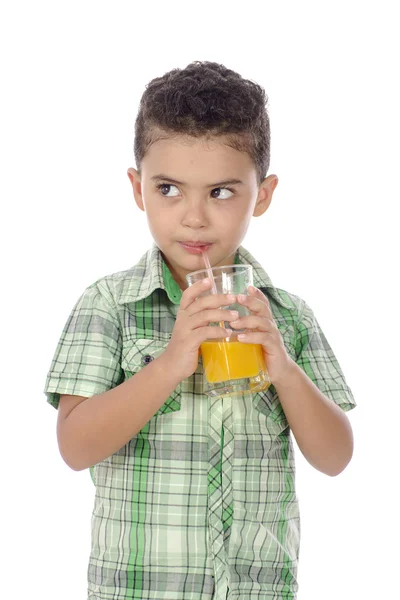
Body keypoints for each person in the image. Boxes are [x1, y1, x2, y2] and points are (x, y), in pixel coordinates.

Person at [44, 61, 356, 600]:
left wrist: (283, 368)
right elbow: (74, 446)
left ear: (262, 194)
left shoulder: (289, 317)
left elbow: (335, 457)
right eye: (169, 189)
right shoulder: (109, 305)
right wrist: (169, 364)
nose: (193, 217)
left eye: (220, 192)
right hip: (140, 589)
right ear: (138, 188)